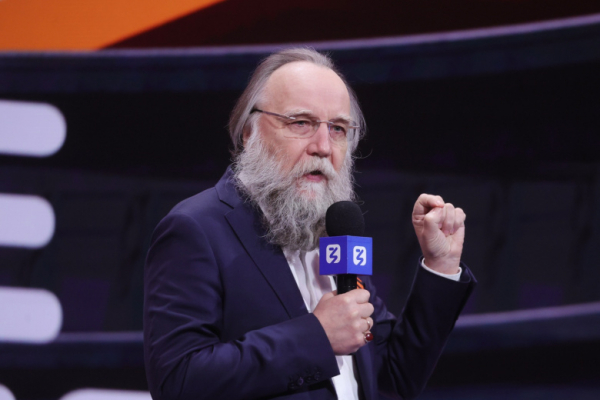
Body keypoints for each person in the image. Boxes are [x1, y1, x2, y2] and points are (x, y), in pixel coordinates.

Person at [143, 48, 476, 400]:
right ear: (248, 132)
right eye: (300, 123)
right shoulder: (195, 229)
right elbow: (177, 382)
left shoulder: (335, 232)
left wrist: (441, 266)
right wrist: (317, 336)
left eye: (338, 129)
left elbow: (392, 375)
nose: (323, 146)